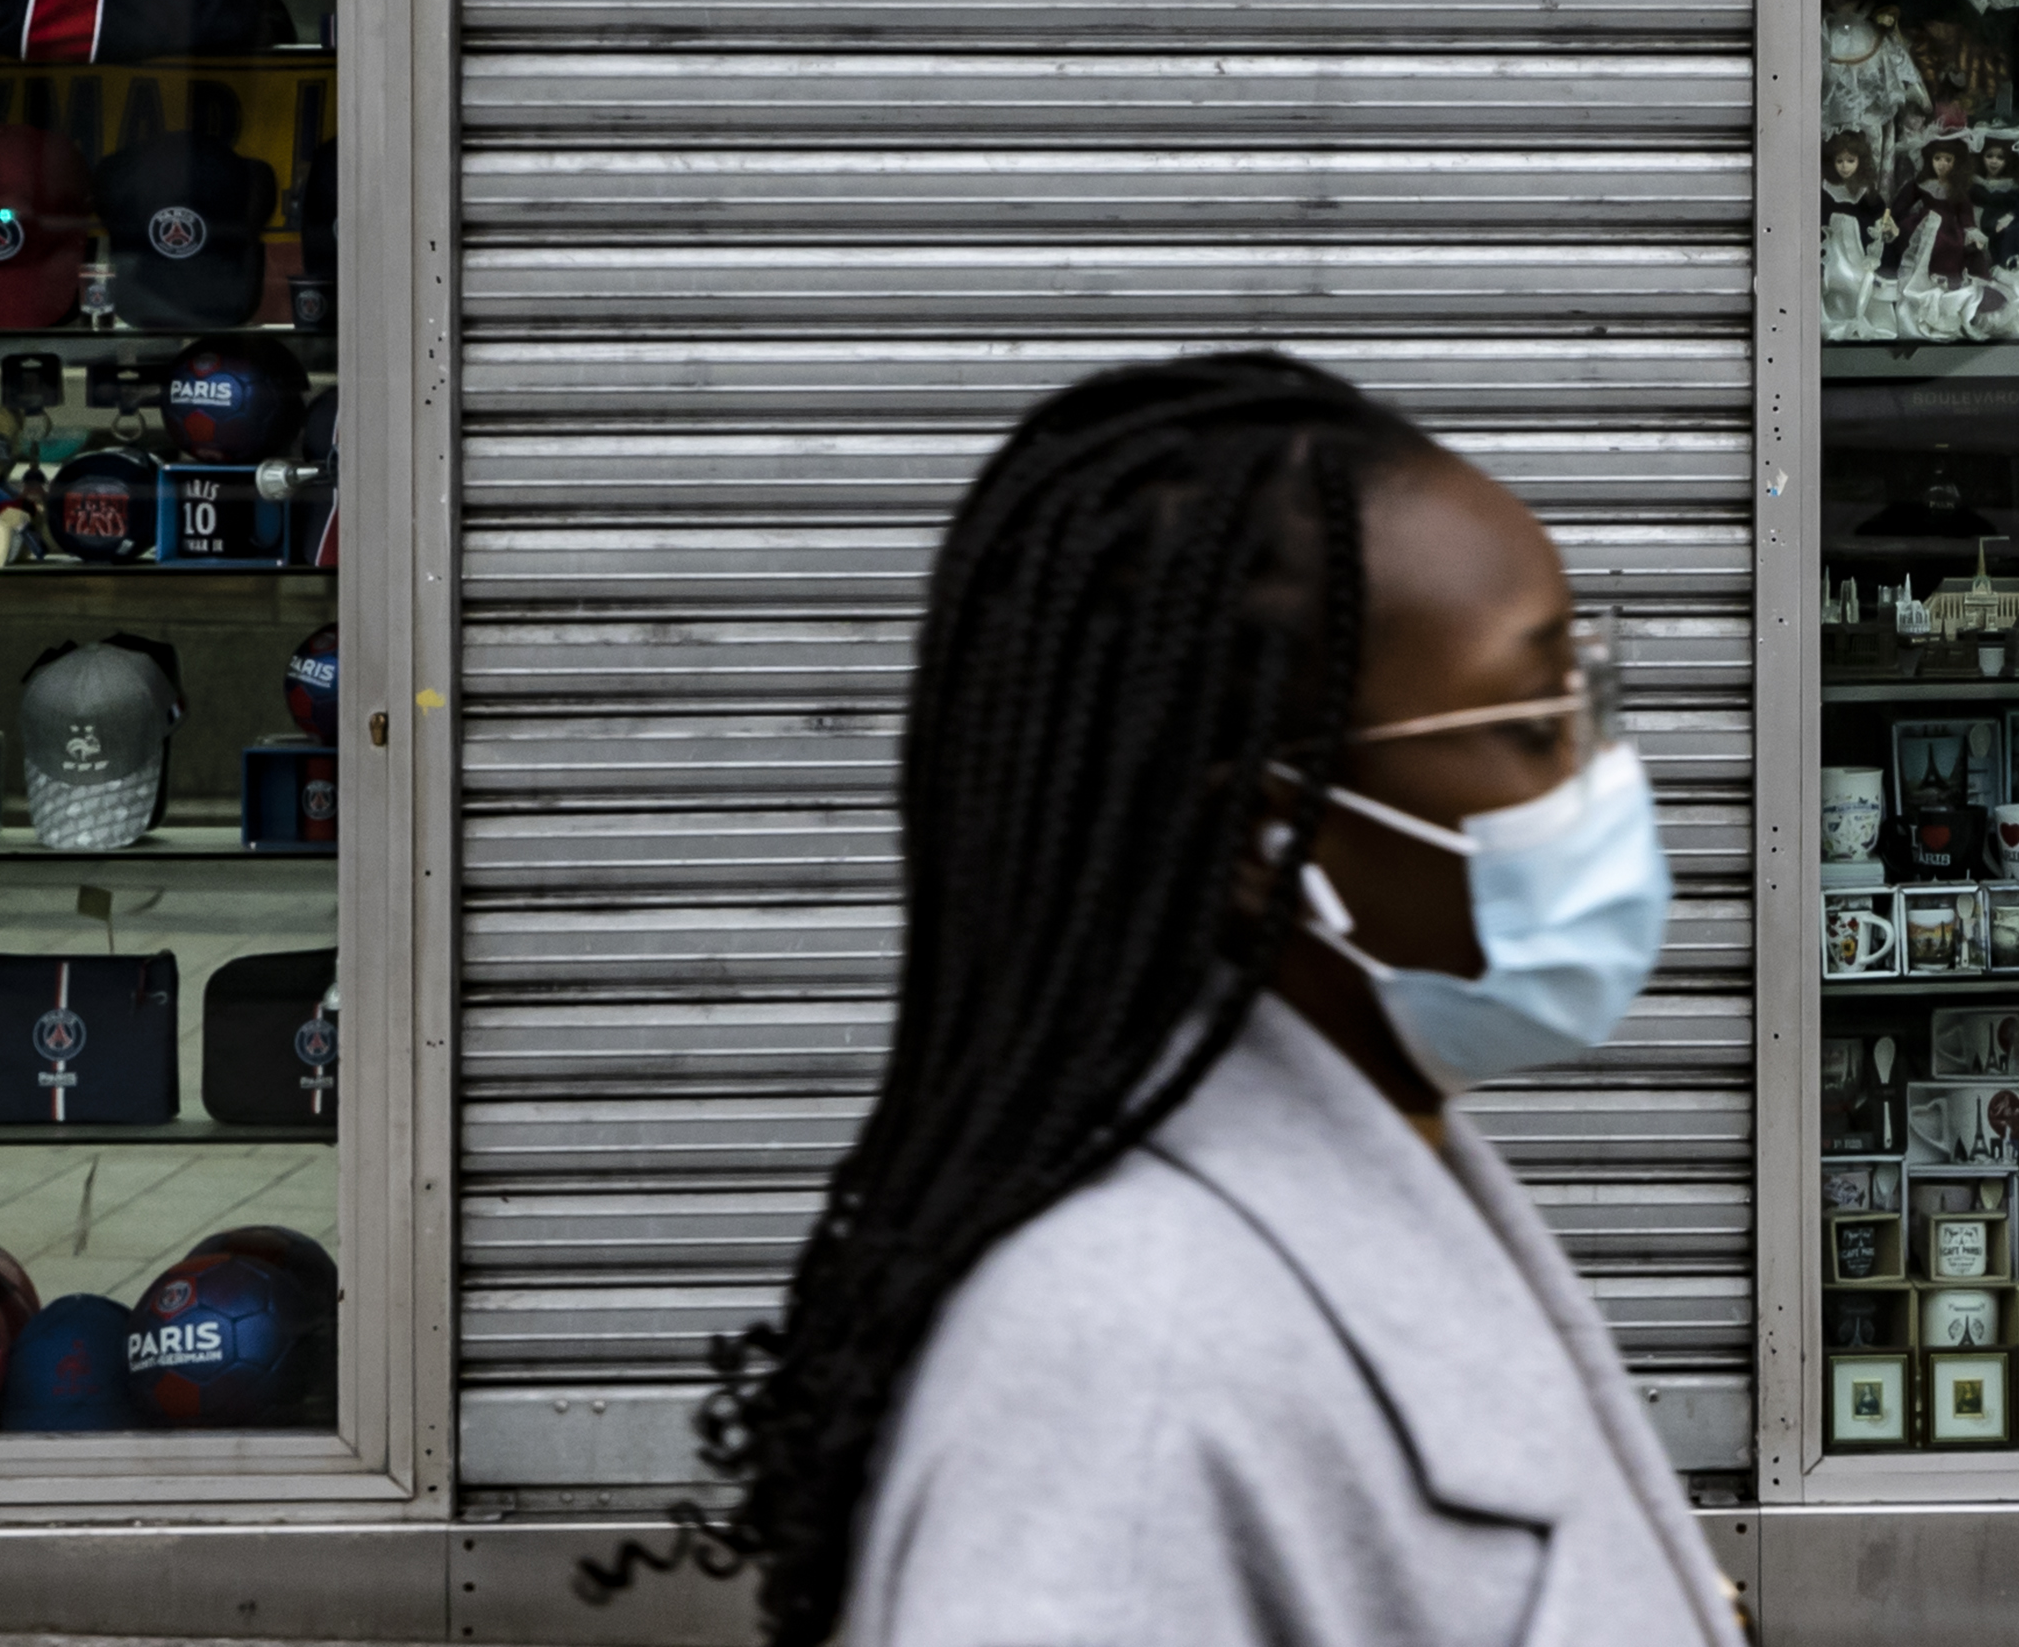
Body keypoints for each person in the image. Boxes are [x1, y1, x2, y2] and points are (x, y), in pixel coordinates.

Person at [636, 352, 1730, 1647]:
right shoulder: (1131, 1367)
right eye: (1539, 719)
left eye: (1593, 694)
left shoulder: (1376, 1180)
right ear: (1271, 827)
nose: (1603, 777)